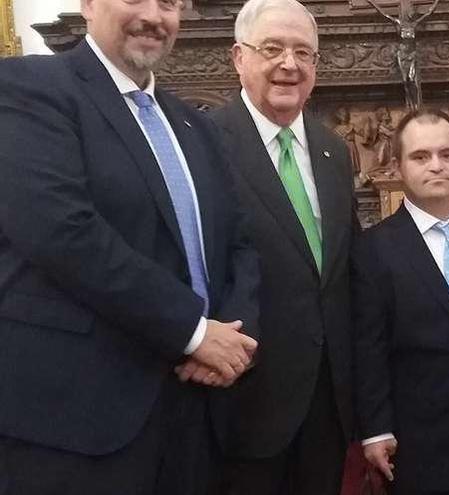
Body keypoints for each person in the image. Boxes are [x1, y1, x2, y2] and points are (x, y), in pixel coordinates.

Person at [0, 0, 260, 493]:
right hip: (77, 424)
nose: (153, 16)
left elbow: (240, 244)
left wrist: (234, 340)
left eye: (167, 3)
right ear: (89, 5)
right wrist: (194, 332)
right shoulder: (28, 87)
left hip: (193, 415)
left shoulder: (196, 126)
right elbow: (61, 231)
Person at [209, 0, 359, 493]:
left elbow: (342, 269)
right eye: (271, 49)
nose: (288, 64)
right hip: (245, 401)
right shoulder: (205, 143)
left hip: (329, 405)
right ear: (238, 57)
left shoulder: (334, 149)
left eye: (303, 52)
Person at [352, 109, 449, 494]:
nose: (436, 166)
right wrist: (375, 428)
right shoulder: (374, 249)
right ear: (398, 166)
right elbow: (368, 347)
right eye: (420, 157)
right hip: (427, 440)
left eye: (447, 154)